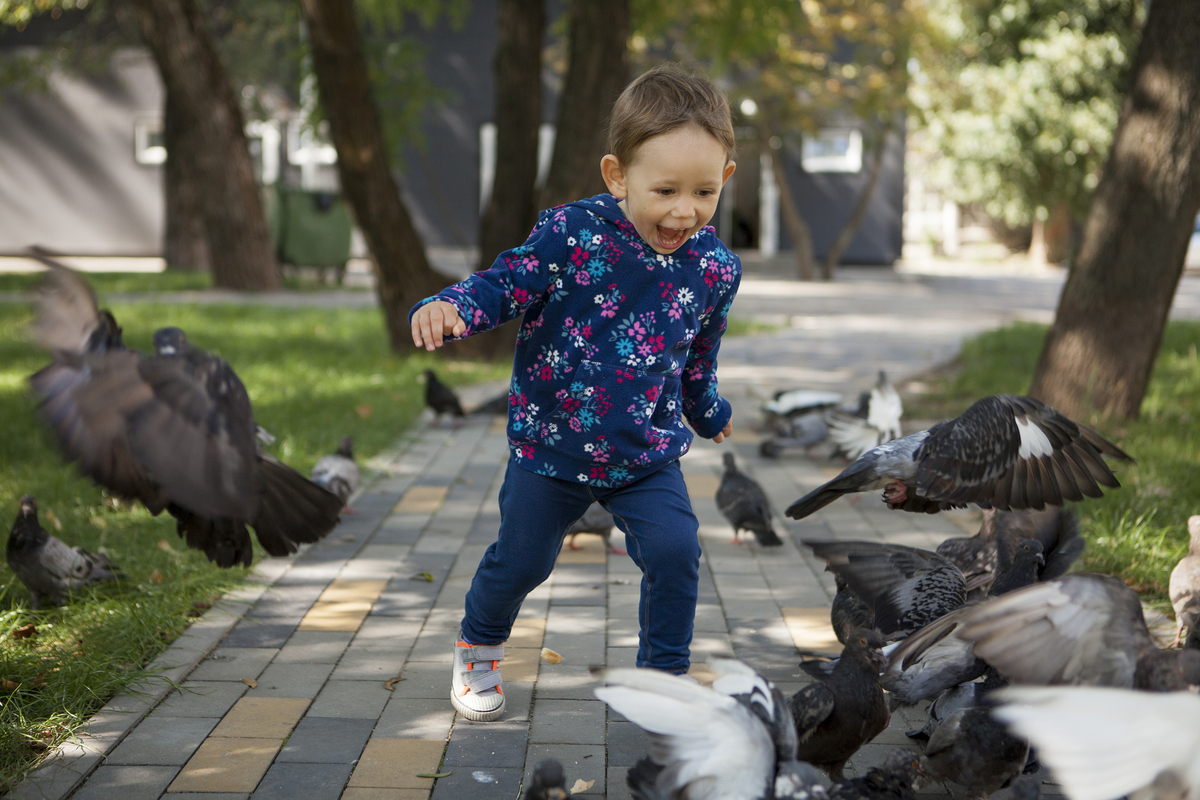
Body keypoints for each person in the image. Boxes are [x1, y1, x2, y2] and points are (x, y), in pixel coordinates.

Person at [409, 62, 740, 722]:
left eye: (704, 192)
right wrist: (452, 305)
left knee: (676, 551)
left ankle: (663, 681)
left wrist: (708, 411)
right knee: (523, 561)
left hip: (645, 457)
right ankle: (478, 643)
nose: (685, 210)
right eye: (666, 189)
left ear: (726, 180)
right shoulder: (573, 235)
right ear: (617, 176)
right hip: (551, 450)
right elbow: (506, 283)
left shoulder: (715, 268)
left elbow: (697, 358)